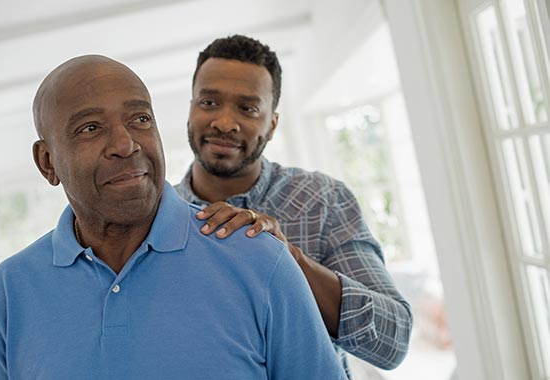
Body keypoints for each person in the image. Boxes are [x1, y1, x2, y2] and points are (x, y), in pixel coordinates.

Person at [0, 55, 347, 380]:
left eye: (140, 119)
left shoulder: (261, 261)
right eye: (90, 128)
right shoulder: (8, 294)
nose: (125, 144)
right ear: (47, 162)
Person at [175, 35, 413, 377]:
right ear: (192, 109)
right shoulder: (156, 220)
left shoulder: (322, 199)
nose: (225, 122)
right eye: (209, 102)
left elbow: (392, 341)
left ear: (271, 124)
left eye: (248, 108)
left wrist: (288, 259)